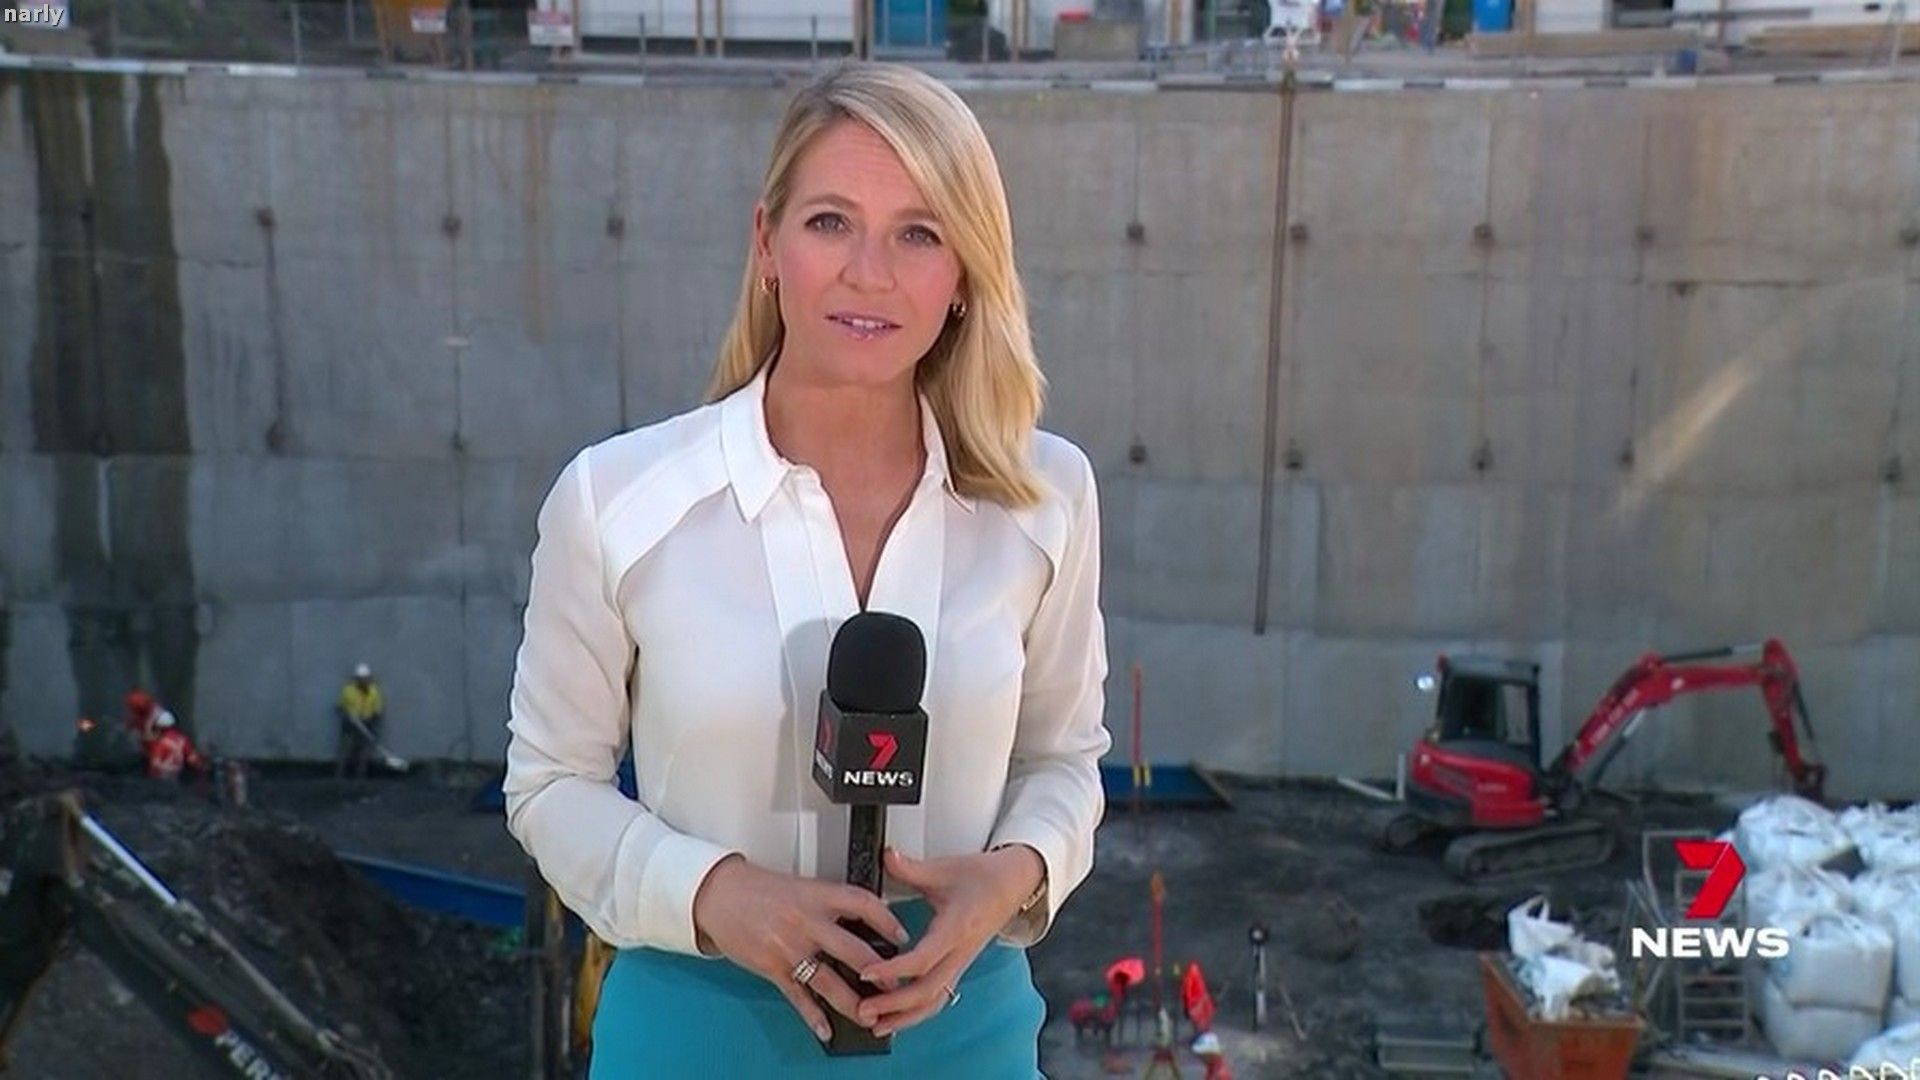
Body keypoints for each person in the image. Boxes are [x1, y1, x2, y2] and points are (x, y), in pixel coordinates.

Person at [502, 62, 1112, 1078]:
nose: (870, 273)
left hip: (964, 1030)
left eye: (919, 233)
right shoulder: (615, 501)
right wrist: (716, 893)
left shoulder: (1048, 498)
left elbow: (1063, 760)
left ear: (966, 273)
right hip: (695, 1035)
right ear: (767, 245)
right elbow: (549, 784)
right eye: (832, 222)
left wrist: (1014, 875)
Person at [335, 663, 386, 779]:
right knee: (345, 750)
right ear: (356, 679)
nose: (363, 681)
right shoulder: (348, 690)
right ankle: (339, 776)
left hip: (367, 724)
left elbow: (378, 710)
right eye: (361, 678)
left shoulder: (374, 691)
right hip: (350, 725)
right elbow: (340, 707)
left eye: (366, 678)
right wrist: (347, 715)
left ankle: (360, 777)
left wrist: (371, 720)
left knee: (364, 752)